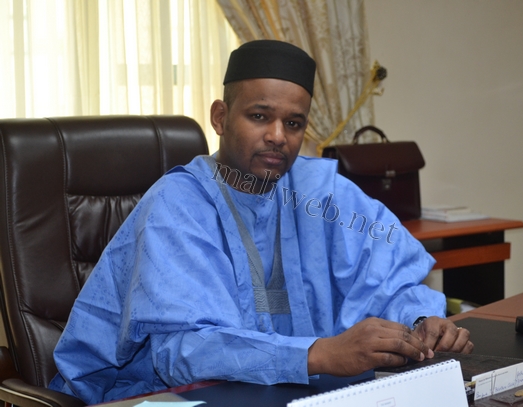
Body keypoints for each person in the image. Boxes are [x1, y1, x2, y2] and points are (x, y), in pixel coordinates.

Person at [49, 39, 473, 404]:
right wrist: (319, 354)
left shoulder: (320, 192)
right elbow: (183, 351)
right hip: (164, 396)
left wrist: (420, 323)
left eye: (293, 123)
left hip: (300, 393)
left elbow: (391, 280)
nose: (277, 136)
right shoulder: (177, 205)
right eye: (259, 116)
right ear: (220, 117)